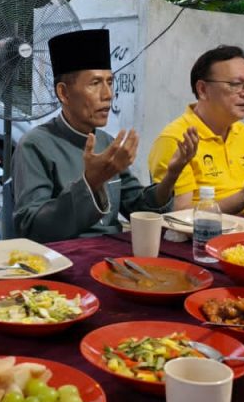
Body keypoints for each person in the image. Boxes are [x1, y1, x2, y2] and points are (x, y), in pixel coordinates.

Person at [12, 28, 197, 243]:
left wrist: (171, 176)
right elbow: (31, 227)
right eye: (95, 83)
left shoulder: (106, 142)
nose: (108, 94)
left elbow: (138, 209)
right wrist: (92, 181)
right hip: (63, 258)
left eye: (110, 82)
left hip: (111, 252)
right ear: (63, 93)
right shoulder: (35, 145)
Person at [148, 45, 244, 215]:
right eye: (236, 84)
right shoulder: (177, 139)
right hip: (205, 236)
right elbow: (180, 216)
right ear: (202, 89)